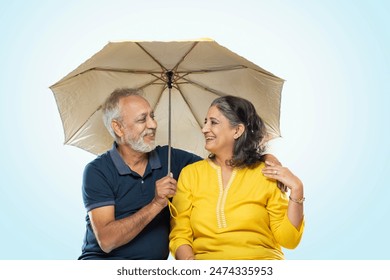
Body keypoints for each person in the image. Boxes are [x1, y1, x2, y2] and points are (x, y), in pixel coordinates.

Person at [78, 88, 282, 260]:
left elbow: (222, 164)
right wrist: (156, 203)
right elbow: (106, 240)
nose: (153, 125)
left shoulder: (171, 159)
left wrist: (264, 158)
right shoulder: (98, 171)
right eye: (142, 119)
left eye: (152, 116)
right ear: (118, 128)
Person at [169, 95, 305, 260]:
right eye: (205, 122)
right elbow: (180, 234)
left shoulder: (266, 173)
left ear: (237, 130)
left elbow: (289, 240)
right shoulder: (191, 174)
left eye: (213, 122)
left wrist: (297, 190)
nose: (204, 129)